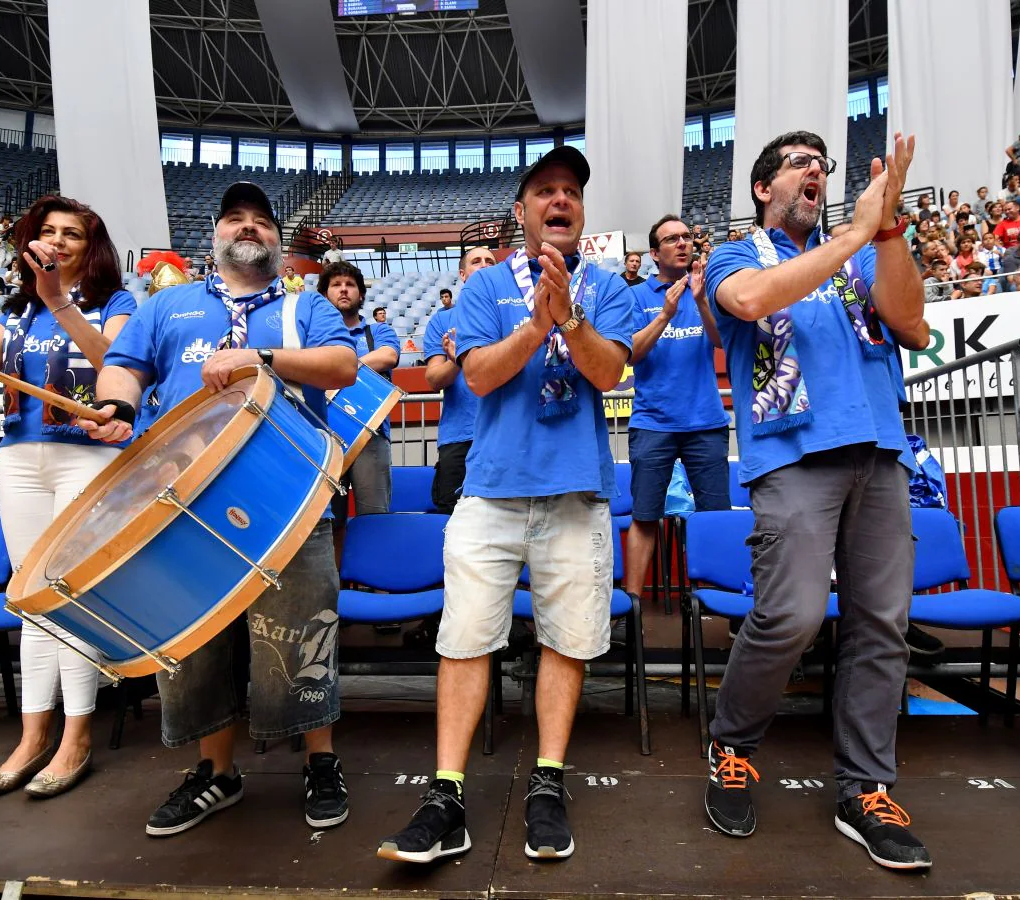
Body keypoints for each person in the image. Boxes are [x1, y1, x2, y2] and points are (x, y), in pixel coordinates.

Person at [378, 146, 633, 864]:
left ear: (580, 213)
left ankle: (547, 783)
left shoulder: (609, 287)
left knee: (567, 640)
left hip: (577, 492)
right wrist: (535, 322)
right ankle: (447, 794)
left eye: (571, 192)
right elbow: (481, 378)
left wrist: (571, 320)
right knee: (464, 639)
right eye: (544, 190)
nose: (560, 200)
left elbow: (609, 370)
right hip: (489, 491)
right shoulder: (486, 286)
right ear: (521, 211)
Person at [81, 181, 357, 837]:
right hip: (183, 502)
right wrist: (118, 406)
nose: (250, 228)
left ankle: (320, 762)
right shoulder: (167, 305)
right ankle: (217, 772)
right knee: (197, 643)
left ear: (277, 241)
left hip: (288, 499)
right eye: (236, 218)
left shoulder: (304, 307)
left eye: (262, 221)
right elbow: (122, 366)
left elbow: (343, 364)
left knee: (302, 631)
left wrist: (258, 357)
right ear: (215, 237)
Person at [702, 129, 933, 871]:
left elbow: (911, 323)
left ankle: (865, 787)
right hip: (793, 455)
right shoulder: (735, 253)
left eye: (823, 166)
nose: (818, 172)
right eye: (801, 164)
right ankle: (732, 745)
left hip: (879, 451)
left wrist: (886, 229)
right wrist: (857, 235)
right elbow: (750, 299)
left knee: (882, 624)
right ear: (764, 188)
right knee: (791, 615)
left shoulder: (863, 248)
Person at [0, 193, 137, 800]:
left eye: (71, 234)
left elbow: (118, 364)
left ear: (91, 246)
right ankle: (32, 738)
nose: (56, 241)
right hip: (23, 457)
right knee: (28, 595)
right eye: (48, 231)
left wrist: (60, 299)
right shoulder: (18, 313)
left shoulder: (117, 303)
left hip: (88, 456)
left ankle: (76, 737)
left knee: (68, 590)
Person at [624, 214, 729, 618]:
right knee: (645, 516)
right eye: (672, 239)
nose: (683, 243)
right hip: (653, 423)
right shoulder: (635, 297)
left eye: (687, 237)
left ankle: (722, 605)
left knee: (715, 519)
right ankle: (631, 609)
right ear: (654, 253)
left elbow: (723, 341)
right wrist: (665, 314)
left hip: (706, 423)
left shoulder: (709, 289)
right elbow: (630, 353)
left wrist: (700, 299)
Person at [322, 260, 399, 557]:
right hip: (327, 441)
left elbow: (389, 356)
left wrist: (336, 368)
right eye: (336, 285)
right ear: (325, 294)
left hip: (371, 436)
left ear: (361, 295)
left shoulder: (378, 331)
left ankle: (376, 588)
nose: (343, 289)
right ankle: (337, 593)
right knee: (330, 523)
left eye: (350, 284)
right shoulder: (314, 335)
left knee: (375, 520)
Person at [424, 245, 496, 514]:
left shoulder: (514, 315)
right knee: (450, 525)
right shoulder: (443, 321)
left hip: (505, 435)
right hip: (459, 436)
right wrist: (457, 360)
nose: (485, 265)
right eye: (476, 261)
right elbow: (433, 379)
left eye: (490, 261)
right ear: (463, 274)